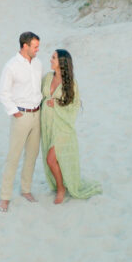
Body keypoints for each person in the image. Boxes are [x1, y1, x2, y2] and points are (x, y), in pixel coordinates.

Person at [41, 49, 102, 204]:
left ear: (61, 62)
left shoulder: (71, 84)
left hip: (63, 127)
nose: (50, 60)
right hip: (48, 125)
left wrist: (56, 104)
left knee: (51, 159)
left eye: (53, 58)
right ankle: (61, 183)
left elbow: (74, 108)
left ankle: (61, 188)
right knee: (53, 159)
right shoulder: (47, 77)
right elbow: (37, 96)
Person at [0, 31, 42, 212]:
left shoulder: (38, 64)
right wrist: (15, 113)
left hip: (37, 115)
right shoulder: (11, 66)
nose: (37, 49)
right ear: (25, 46)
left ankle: (26, 189)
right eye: (35, 46)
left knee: (32, 155)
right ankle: (5, 197)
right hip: (21, 116)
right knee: (13, 157)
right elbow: (2, 93)